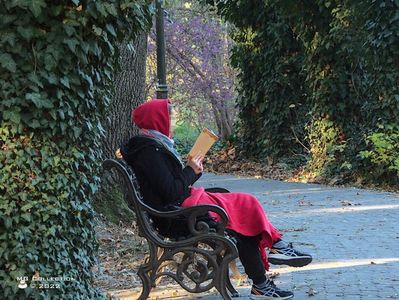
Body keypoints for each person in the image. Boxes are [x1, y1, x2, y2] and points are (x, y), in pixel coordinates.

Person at [121, 99, 312, 300]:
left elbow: (172, 187)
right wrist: (190, 170)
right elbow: (172, 191)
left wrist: (192, 170)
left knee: (247, 203)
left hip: (185, 206)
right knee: (242, 222)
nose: (174, 123)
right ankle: (267, 271)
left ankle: (276, 248)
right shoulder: (149, 151)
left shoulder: (154, 146)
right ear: (158, 120)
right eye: (171, 118)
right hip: (176, 216)